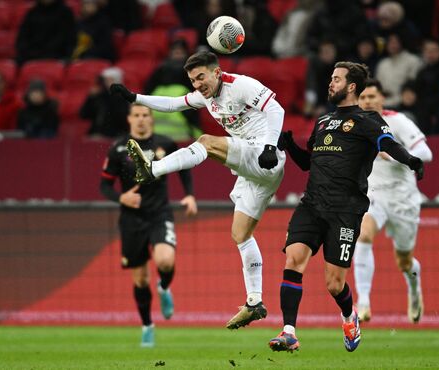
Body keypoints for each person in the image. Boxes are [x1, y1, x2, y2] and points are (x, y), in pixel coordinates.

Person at [110, 51, 286, 330]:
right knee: (240, 234)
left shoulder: (240, 84)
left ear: (216, 72)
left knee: (205, 141)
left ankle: (152, 169)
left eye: (201, 77)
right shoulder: (205, 95)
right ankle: (255, 301)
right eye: (193, 80)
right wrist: (136, 98)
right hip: (256, 171)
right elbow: (173, 104)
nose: (197, 84)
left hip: (264, 153)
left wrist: (269, 146)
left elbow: (276, 110)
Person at [268, 62, 424, 353]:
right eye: (330, 78)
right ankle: (289, 331)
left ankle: (349, 316)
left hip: (346, 211)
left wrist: (411, 161)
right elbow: (307, 164)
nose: (331, 83)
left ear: (351, 86)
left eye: (336, 79)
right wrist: (290, 147)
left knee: (334, 284)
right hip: (312, 204)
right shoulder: (323, 121)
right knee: (293, 259)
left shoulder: (368, 120)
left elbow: (388, 143)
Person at [100, 103, 197, 347]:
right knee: (141, 279)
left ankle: (164, 287)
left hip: (159, 213)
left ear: (152, 119)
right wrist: (121, 197)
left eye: (145, 115)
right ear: (129, 119)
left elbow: (184, 167)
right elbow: (104, 185)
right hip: (132, 219)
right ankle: (147, 326)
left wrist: (189, 194)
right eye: (136, 115)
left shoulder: (165, 143)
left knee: (165, 260)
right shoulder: (118, 148)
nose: (141, 119)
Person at [354, 79, 433, 325]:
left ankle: (414, 287)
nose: (367, 101)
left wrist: (393, 156)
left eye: (371, 97)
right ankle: (364, 302)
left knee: (404, 261)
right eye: (363, 97)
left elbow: (426, 153)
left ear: (382, 99)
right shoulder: (354, 125)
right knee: (363, 235)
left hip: (403, 198)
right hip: (373, 195)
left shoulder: (397, 121)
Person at [80, 67, 130, 138]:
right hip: (97, 133)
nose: (107, 82)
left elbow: (122, 120)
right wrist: (90, 98)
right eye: (105, 80)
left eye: (110, 79)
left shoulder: (123, 98)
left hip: (115, 135)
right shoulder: (99, 97)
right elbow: (83, 115)